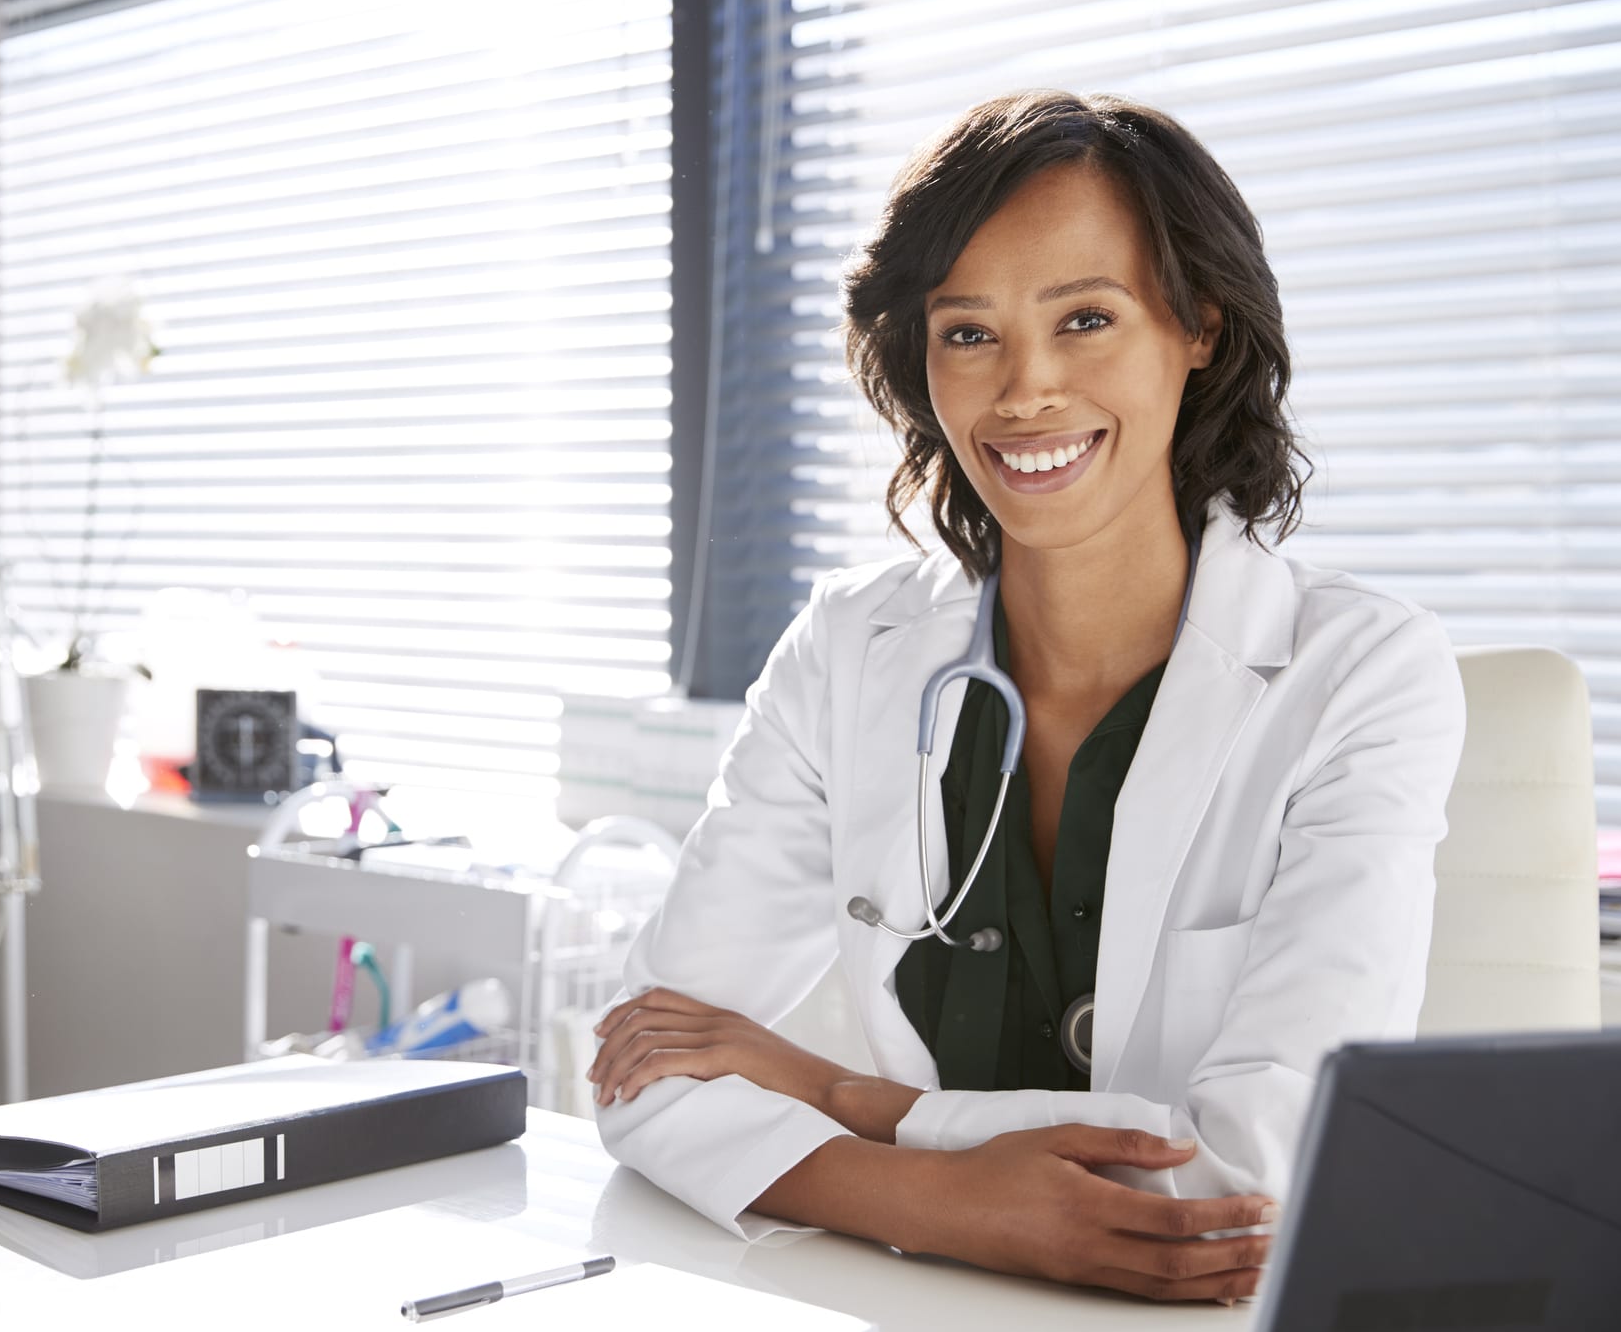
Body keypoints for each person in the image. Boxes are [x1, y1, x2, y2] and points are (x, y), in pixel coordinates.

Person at [584, 90, 1467, 1306]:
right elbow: (652, 1066)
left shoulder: (1361, 673)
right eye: (968, 333)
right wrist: (943, 1198)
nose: (1024, 391)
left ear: (1200, 326)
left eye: (1087, 319)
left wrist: (850, 1102)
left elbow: (1250, 1183)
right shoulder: (848, 649)